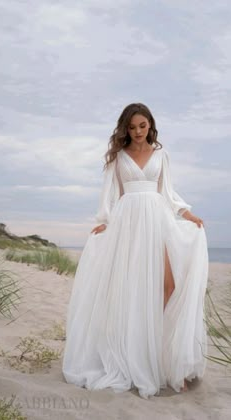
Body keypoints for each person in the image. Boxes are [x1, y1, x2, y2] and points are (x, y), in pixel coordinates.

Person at [62, 103, 209, 399]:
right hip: (127, 224)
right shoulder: (118, 157)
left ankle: (165, 360)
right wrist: (104, 222)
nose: (138, 132)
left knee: (169, 287)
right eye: (132, 127)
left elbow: (167, 192)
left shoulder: (161, 155)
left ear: (150, 125)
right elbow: (111, 193)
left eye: (142, 126)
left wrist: (187, 214)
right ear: (125, 129)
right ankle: (136, 357)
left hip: (158, 220)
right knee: (130, 291)